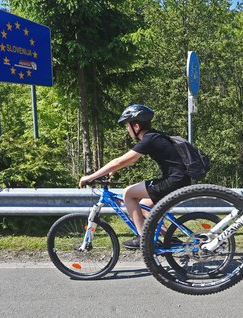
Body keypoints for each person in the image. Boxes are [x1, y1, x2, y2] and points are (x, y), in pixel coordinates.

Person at [78, 104, 191, 249]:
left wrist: (91, 177)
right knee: (144, 207)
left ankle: (143, 239)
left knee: (129, 194)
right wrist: (111, 170)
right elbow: (127, 161)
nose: (127, 129)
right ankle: (170, 239)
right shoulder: (154, 136)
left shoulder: (149, 139)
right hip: (179, 180)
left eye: (127, 126)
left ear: (136, 126)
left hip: (174, 181)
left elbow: (122, 160)